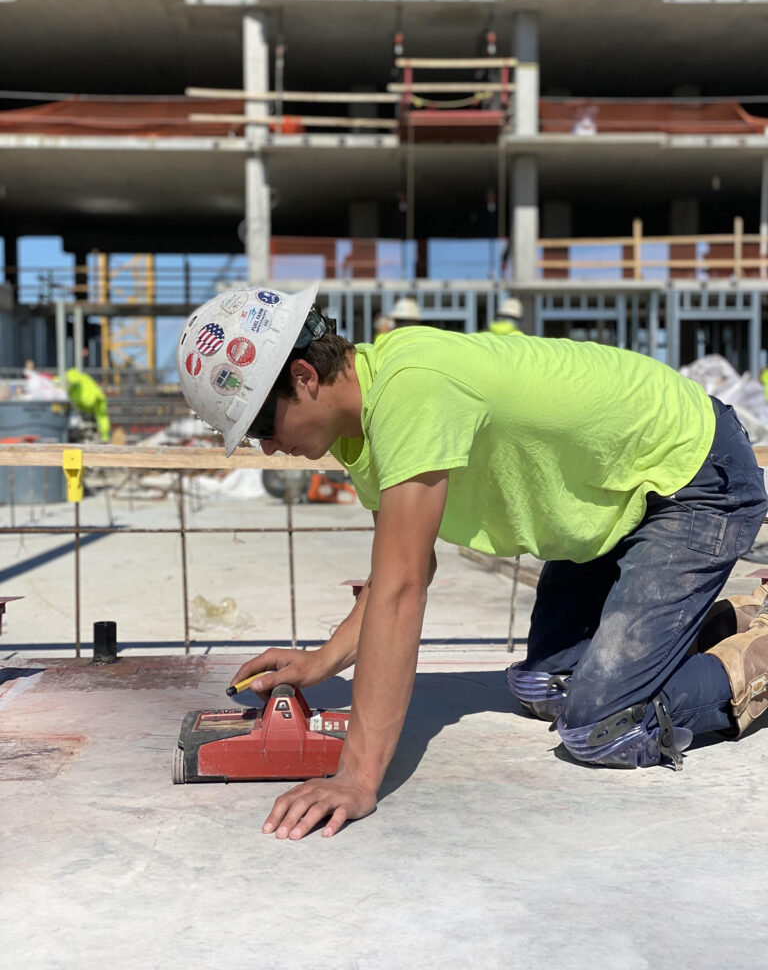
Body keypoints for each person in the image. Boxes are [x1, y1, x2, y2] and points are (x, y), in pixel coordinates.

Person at [177, 284, 768, 840]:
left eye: (261, 425)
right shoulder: (364, 433)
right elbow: (403, 570)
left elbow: (404, 589)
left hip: (692, 477)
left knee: (601, 725)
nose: (268, 448)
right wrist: (322, 662)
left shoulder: (412, 389)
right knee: (546, 686)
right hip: (618, 500)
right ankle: (729, 621)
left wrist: (357, 777)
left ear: (304, 376)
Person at [62, 368, 111, 443]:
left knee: (100, 418)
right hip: (97, 398)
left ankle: (103, 437)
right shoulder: (82, 377)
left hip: (90, 402)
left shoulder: (73, 383)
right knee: (102, 418)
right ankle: (104, 438)